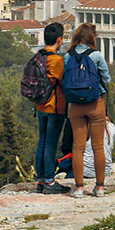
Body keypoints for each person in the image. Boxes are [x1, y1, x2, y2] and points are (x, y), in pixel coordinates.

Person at [64, 23, 111, 198]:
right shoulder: (96, 55)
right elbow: (106, 77)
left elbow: (65, 78)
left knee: (78, 147)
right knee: (98, 147)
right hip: (95, 102)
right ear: (93, 37)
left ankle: (78, 188)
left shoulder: (68, 55)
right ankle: (99, 187)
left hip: (75, 105)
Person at [35, 22, 70, 194]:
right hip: (54, 107)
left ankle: (41, 180)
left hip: (40, 106)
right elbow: (64, 82)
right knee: (50, 144)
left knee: (42, 143)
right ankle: (49, 181)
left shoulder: (38, 56)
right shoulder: (56, 60)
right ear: (59, 39)